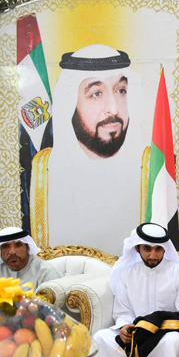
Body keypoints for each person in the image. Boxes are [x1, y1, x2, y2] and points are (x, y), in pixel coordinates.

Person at [29, 44, 146, 254]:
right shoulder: (45, 172)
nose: (113, 108)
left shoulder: (150, 169)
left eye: (121, 91)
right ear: (69, 105)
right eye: (96, 94)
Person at [85, 223, 179, 357]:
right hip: (135, 332)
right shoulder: (127, 274)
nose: (153, 255)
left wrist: (152, 328)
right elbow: (123, 312)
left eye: (158, 249)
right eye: (147, 249)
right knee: (100, 338)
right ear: (137, 248)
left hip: (170, 333)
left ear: (164, 249)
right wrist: (124, 328)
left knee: (169, 343)